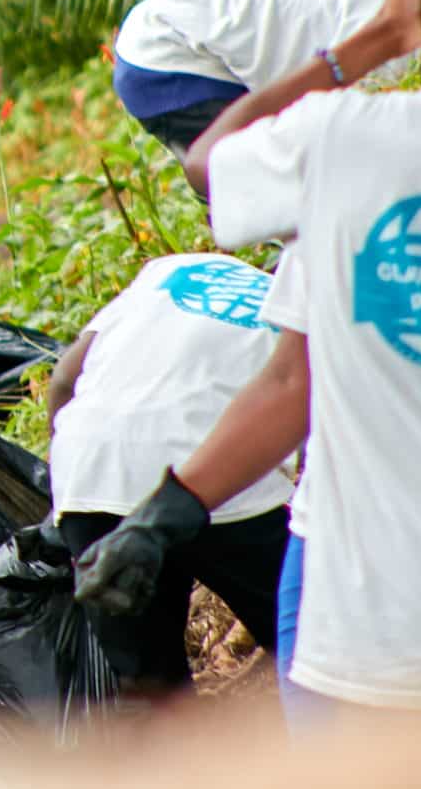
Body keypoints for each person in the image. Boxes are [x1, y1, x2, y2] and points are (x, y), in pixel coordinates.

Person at [74, 0, 421, 716]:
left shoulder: (340, 147)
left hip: (353, 633)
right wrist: (168, 512)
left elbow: (212, 165)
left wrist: (160, 519)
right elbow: (292, 382)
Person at [45, 252, 293, 698]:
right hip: (214, 476)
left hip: (89, 467)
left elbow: (64, 378)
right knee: (308, 643)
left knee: (150, 686)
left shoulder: (174, 268)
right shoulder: (305, 305)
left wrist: (66, 486)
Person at [110, 0, 405, 174]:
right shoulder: (403, 46)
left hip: (193, 29)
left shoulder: (401, 5)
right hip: (163, 52)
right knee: (259, 179)